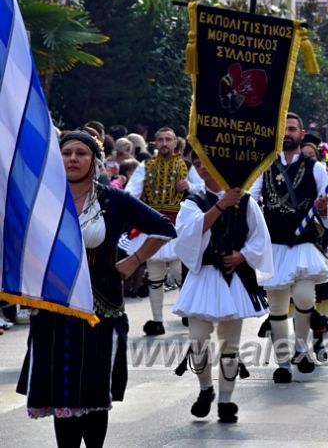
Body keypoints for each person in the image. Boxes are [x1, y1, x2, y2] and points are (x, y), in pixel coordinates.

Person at [16, 131, 175, 448]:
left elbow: (164, 228)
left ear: (95, 160)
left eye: (81, 153)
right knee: (62, 389)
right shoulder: (43, 198)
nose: (73, 159)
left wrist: (134, 260)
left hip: (100, 305)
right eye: (66, 153)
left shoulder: (113, 200)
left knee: (92, 389)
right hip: (55, 305)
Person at [172, 153, 272, 423]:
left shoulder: (247, 201)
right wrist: (220, 206)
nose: (202, 168)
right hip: (203, 276)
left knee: (230, 345)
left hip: (232, 279)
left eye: (207, 161)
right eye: (197, 163)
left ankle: (226, 400)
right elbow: (188, 236)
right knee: (197, 340)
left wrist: (242, 255)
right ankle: (206, 389)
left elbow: (259, 238)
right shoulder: (193, 202)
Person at [248, 112, 328, 383]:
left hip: (302, 244)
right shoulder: (265, 166)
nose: (287, 133)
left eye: (292, 129)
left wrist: (325, 208)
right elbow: (251, 200)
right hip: (274, 244)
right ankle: (283, 362)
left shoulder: (315, 168)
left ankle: (301, 347)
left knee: (304, 298)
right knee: (276, 306)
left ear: (301, 134)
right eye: (283, 129)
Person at [124, 126, 204, 335]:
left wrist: (190, 186)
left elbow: (205, 188)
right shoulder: (146, 165)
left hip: (178, 225)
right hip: (153, 225)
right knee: (155, 275)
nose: (164, 143)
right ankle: (157, 320)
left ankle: (188, 310)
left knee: (180, 273)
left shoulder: (187, 166)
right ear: (155, 143)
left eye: (168, 139)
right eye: (160, 140)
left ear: (175, 143)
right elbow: (130, 192)